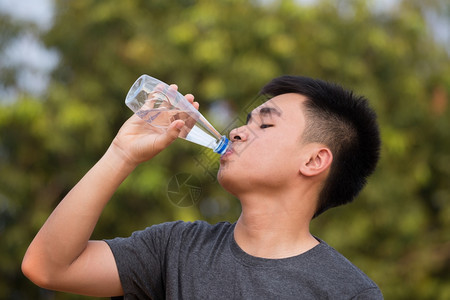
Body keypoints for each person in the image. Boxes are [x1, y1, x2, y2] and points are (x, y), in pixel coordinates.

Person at [22, 75, 383, 299]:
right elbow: (48, 268)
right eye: (245, 121)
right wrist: (120, 154)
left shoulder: (348, 292)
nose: (237, 131)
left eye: (266, 125)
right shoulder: (177, 249)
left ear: (313, 161)